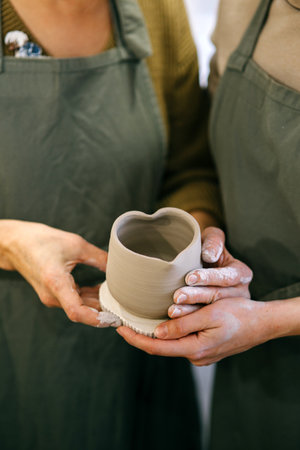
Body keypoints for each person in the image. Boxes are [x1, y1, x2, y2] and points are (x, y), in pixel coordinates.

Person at [0, 0, 224, 449]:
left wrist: (197, 241)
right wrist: (8, 241)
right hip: (16, 347)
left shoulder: (158, 12)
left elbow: (188, 168)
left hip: (142, 346)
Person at [118, 1, 300, 449]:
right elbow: (205, 160)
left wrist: (275, 320)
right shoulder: (243, 7)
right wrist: (206, 232)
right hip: (249, 355)